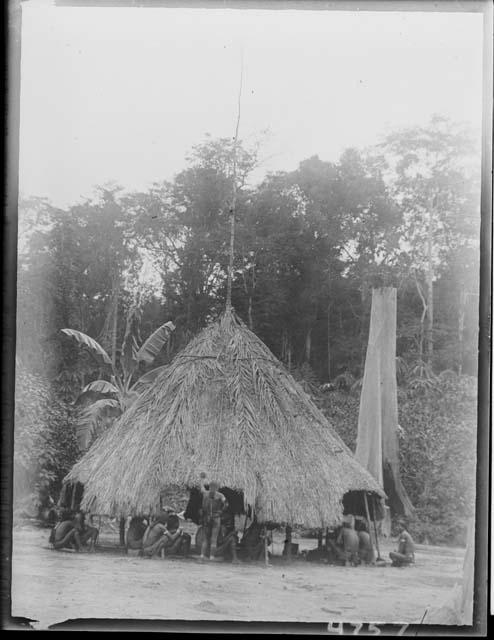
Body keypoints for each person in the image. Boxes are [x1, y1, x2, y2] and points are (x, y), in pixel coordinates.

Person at [199, 473, 228, 561]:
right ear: (217, 487)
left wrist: (202, 479)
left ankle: (202, 555)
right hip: (216, 518)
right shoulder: (220, 495)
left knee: (205, 539)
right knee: (213, 539)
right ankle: (211, 557)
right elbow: (226, 504)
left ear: (210, 486)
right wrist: (221, 511)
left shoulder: (205, 493)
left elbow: (201, 488)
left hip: (207, 518)